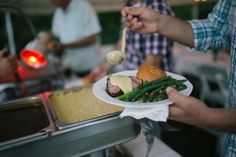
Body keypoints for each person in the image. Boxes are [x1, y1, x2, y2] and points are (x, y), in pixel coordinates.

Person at [121, 0, 236, 156]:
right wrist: (158, 22)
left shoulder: (155, 4)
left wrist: (209, 118)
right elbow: (216, 29)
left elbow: (153, 61)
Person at [89, 0, 174, 81]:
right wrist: (103, 67)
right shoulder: (129, 5)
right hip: (130, 76)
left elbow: (153, 64)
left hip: (150, 85)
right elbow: (122, 43)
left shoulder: (156, 6)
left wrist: (128, 83)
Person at [50, 0, 102, 77]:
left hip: (89, 68)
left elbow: (92, 38)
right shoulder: (58, 11)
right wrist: (45, 37)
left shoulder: (84, 7)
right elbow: (55, 32)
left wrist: (65, 46)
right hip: (69, 68)